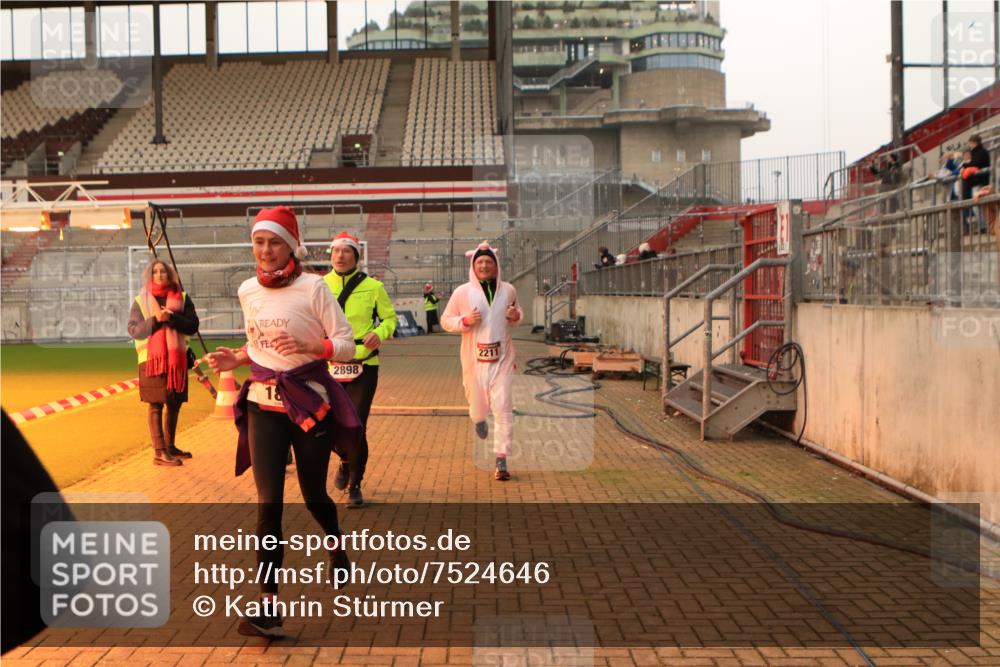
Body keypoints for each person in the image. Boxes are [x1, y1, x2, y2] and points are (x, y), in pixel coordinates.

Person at [206, 206, 360, 639]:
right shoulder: (247, 290)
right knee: (268, 503)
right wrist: (237, 358)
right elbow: (259, 344)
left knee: (313, 495)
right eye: (259, 242)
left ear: (291, 245)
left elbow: (346, 344)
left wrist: (312, 345)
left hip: (309, 403)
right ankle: (269, 605)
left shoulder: (314, 288)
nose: (266, 250)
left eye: (274, 242)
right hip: (263, 405)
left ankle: (335, 542)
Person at [322, 231, 398, 508]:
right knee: (326, 424)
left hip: (363, 366)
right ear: (330, 255)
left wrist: (380, 332)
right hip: (328, 365)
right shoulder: (319, 285)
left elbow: (389, 319)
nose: (340, 256)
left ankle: (355, 483)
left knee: (356, 425)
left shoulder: (374, 287)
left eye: (346, 251)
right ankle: (344, 459)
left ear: (356, 256)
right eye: (336, 251)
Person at [441, 242, 523, 481]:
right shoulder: (462, 293)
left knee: (503, 408)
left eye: (489, 262)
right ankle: (478, 419)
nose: (485, 266)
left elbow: (518, 315)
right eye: (480, 262)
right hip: (473, 362)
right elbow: (446, 320)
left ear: (496, 266)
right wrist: (465, 321)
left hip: (503, 359)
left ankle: (501, 458)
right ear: (473, 266)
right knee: (478, 407)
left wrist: (515, 316)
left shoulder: (508, 290)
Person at [127, 259, 200, 467]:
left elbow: (193, 325)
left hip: (176, 361)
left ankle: (170, 446)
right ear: (150, 276)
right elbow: (134, 330)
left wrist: (172, 318)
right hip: (152, 361)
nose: (159, 275)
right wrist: (157, 319)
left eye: (162, 271)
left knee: (174, 402)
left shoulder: (182, 297)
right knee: (156, 404)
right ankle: (159, 451)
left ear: (169, 274)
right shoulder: (141, 300)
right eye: (155, 272)